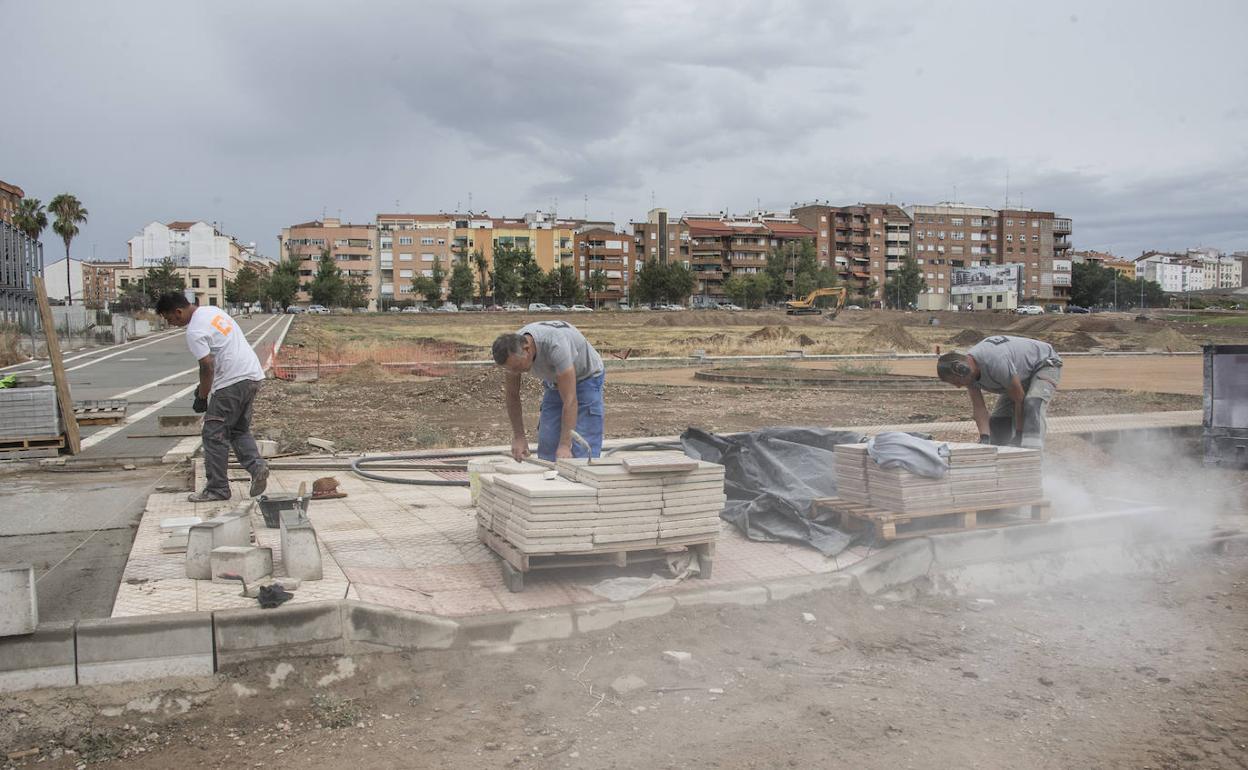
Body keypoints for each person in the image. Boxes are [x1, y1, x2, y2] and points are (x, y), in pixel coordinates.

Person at [155, 293, 268, 501]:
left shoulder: (194, 331)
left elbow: (207, 365)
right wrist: (202, 388)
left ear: (178, 312)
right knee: (237, 429)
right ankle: (257, 466)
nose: (170, 323)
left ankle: (217, 489)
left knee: (213, 433)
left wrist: (202, 396)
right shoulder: (212, 312)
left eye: (169, 318)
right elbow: (220, 353)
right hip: (252, 376)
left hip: (231, 382)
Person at [492, 320, 605, 462]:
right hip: (555, 382)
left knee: (581, 447)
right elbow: (512, 395)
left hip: (586, 378)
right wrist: (519, 437)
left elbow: (570, 399)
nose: (514, 372)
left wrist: (565, 444)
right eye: (510, 369)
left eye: (517, 367)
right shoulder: (511, 354)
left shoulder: (556, 345)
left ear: (527, 349)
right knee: (548, 445)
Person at [936, 334, 1063, 449]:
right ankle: (1003, 460)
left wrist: (1019, 435)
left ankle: (1034, 458)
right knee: (999, 420)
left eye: (956, 382)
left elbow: (1019, 400)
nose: (958, 386)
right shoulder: (969, 374)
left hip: (1045, 363)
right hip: (1017, 375)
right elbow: (979, 407)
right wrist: (985, 438)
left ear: (962, 369)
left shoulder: (995, 362)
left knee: (1032, 404)